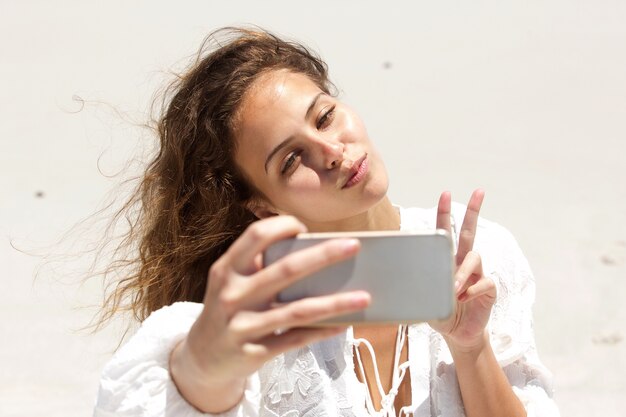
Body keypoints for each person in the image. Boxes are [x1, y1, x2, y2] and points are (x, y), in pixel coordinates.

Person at [93, 27, 559, 417]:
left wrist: (471, 348)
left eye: (325, 116)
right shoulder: (255, 307)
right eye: (292, 159)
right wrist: (204, 366)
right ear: (262, 207)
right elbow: (174, 387)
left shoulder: (478, 254)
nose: (333, 152)